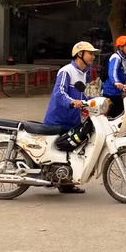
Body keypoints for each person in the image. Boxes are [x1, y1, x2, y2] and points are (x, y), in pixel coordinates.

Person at [43, 41, 98, 193]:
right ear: (80, 54)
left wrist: (92, 102)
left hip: (73, 119)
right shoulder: (66, 71)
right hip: (58, 119)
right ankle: (52, 178)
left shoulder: (84, 72)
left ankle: (65, 183)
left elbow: (82, 94)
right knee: (58, 152)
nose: (93, 57)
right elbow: (59, 94)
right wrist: (72, 102)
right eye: (90, 53)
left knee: (71, 152)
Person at [102, 36, 126, 119]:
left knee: (120, 114)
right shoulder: (116, 57)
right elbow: (112, 71)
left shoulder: (125, 59)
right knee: (112, 115)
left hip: (119, 92)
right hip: (110, 92)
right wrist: (116, 82)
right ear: (121, 47)